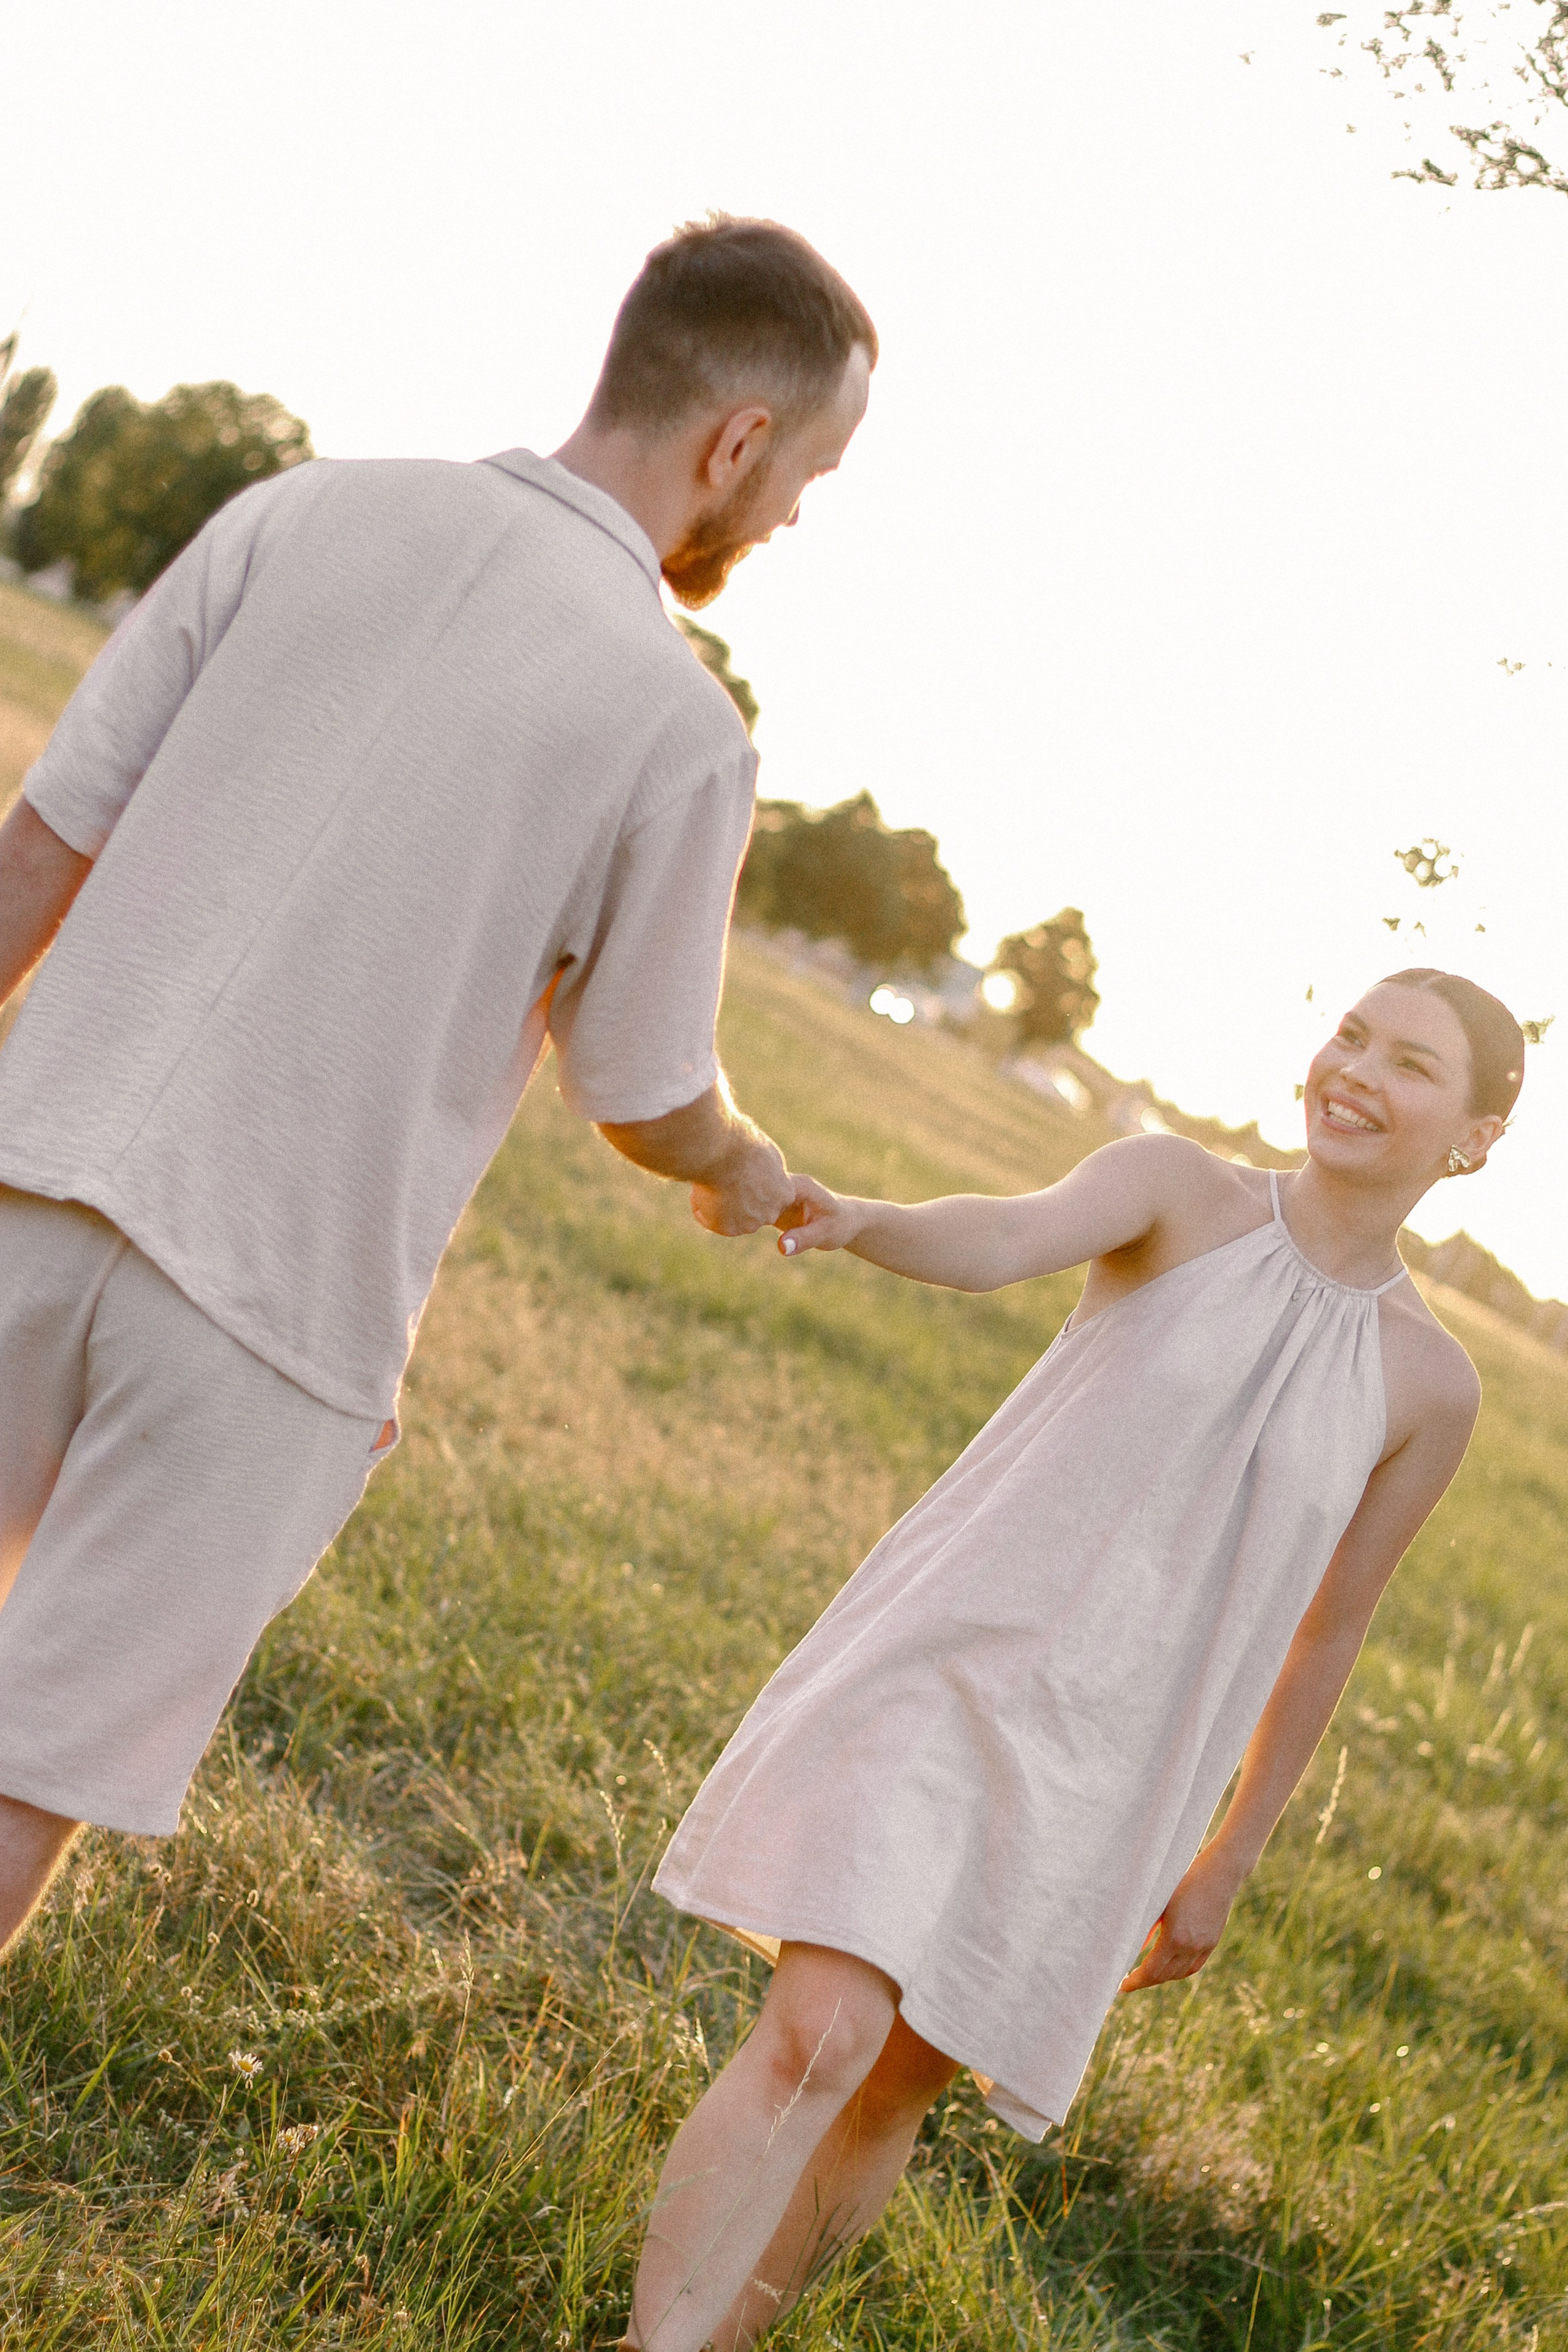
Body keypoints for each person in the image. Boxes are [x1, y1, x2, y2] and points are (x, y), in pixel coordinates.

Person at [0, 215, 874, 1951]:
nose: (785, 522)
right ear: (739, 441)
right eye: (807, 482)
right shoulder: (681, 729)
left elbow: (40, 850)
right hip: (270, 1319)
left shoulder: (304, 509)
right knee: (27, 1775)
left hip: (30, 1170)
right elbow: (639, 1085)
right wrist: (736, 1161)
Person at [624, 968, 1525, 2352]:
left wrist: (1226, 1853)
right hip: (957, 1659)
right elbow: (1005, 1235)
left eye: (1407, 1063)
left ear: (1471, 1137)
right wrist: (864, 1222)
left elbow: (1325, 1630)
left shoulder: (1427, 1385)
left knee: (891, 2091)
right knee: (819, 2034)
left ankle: (727, 2335)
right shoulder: (1178, 1189)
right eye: (1348, 1033)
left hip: (1119, 1765)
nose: (1353, 1070)